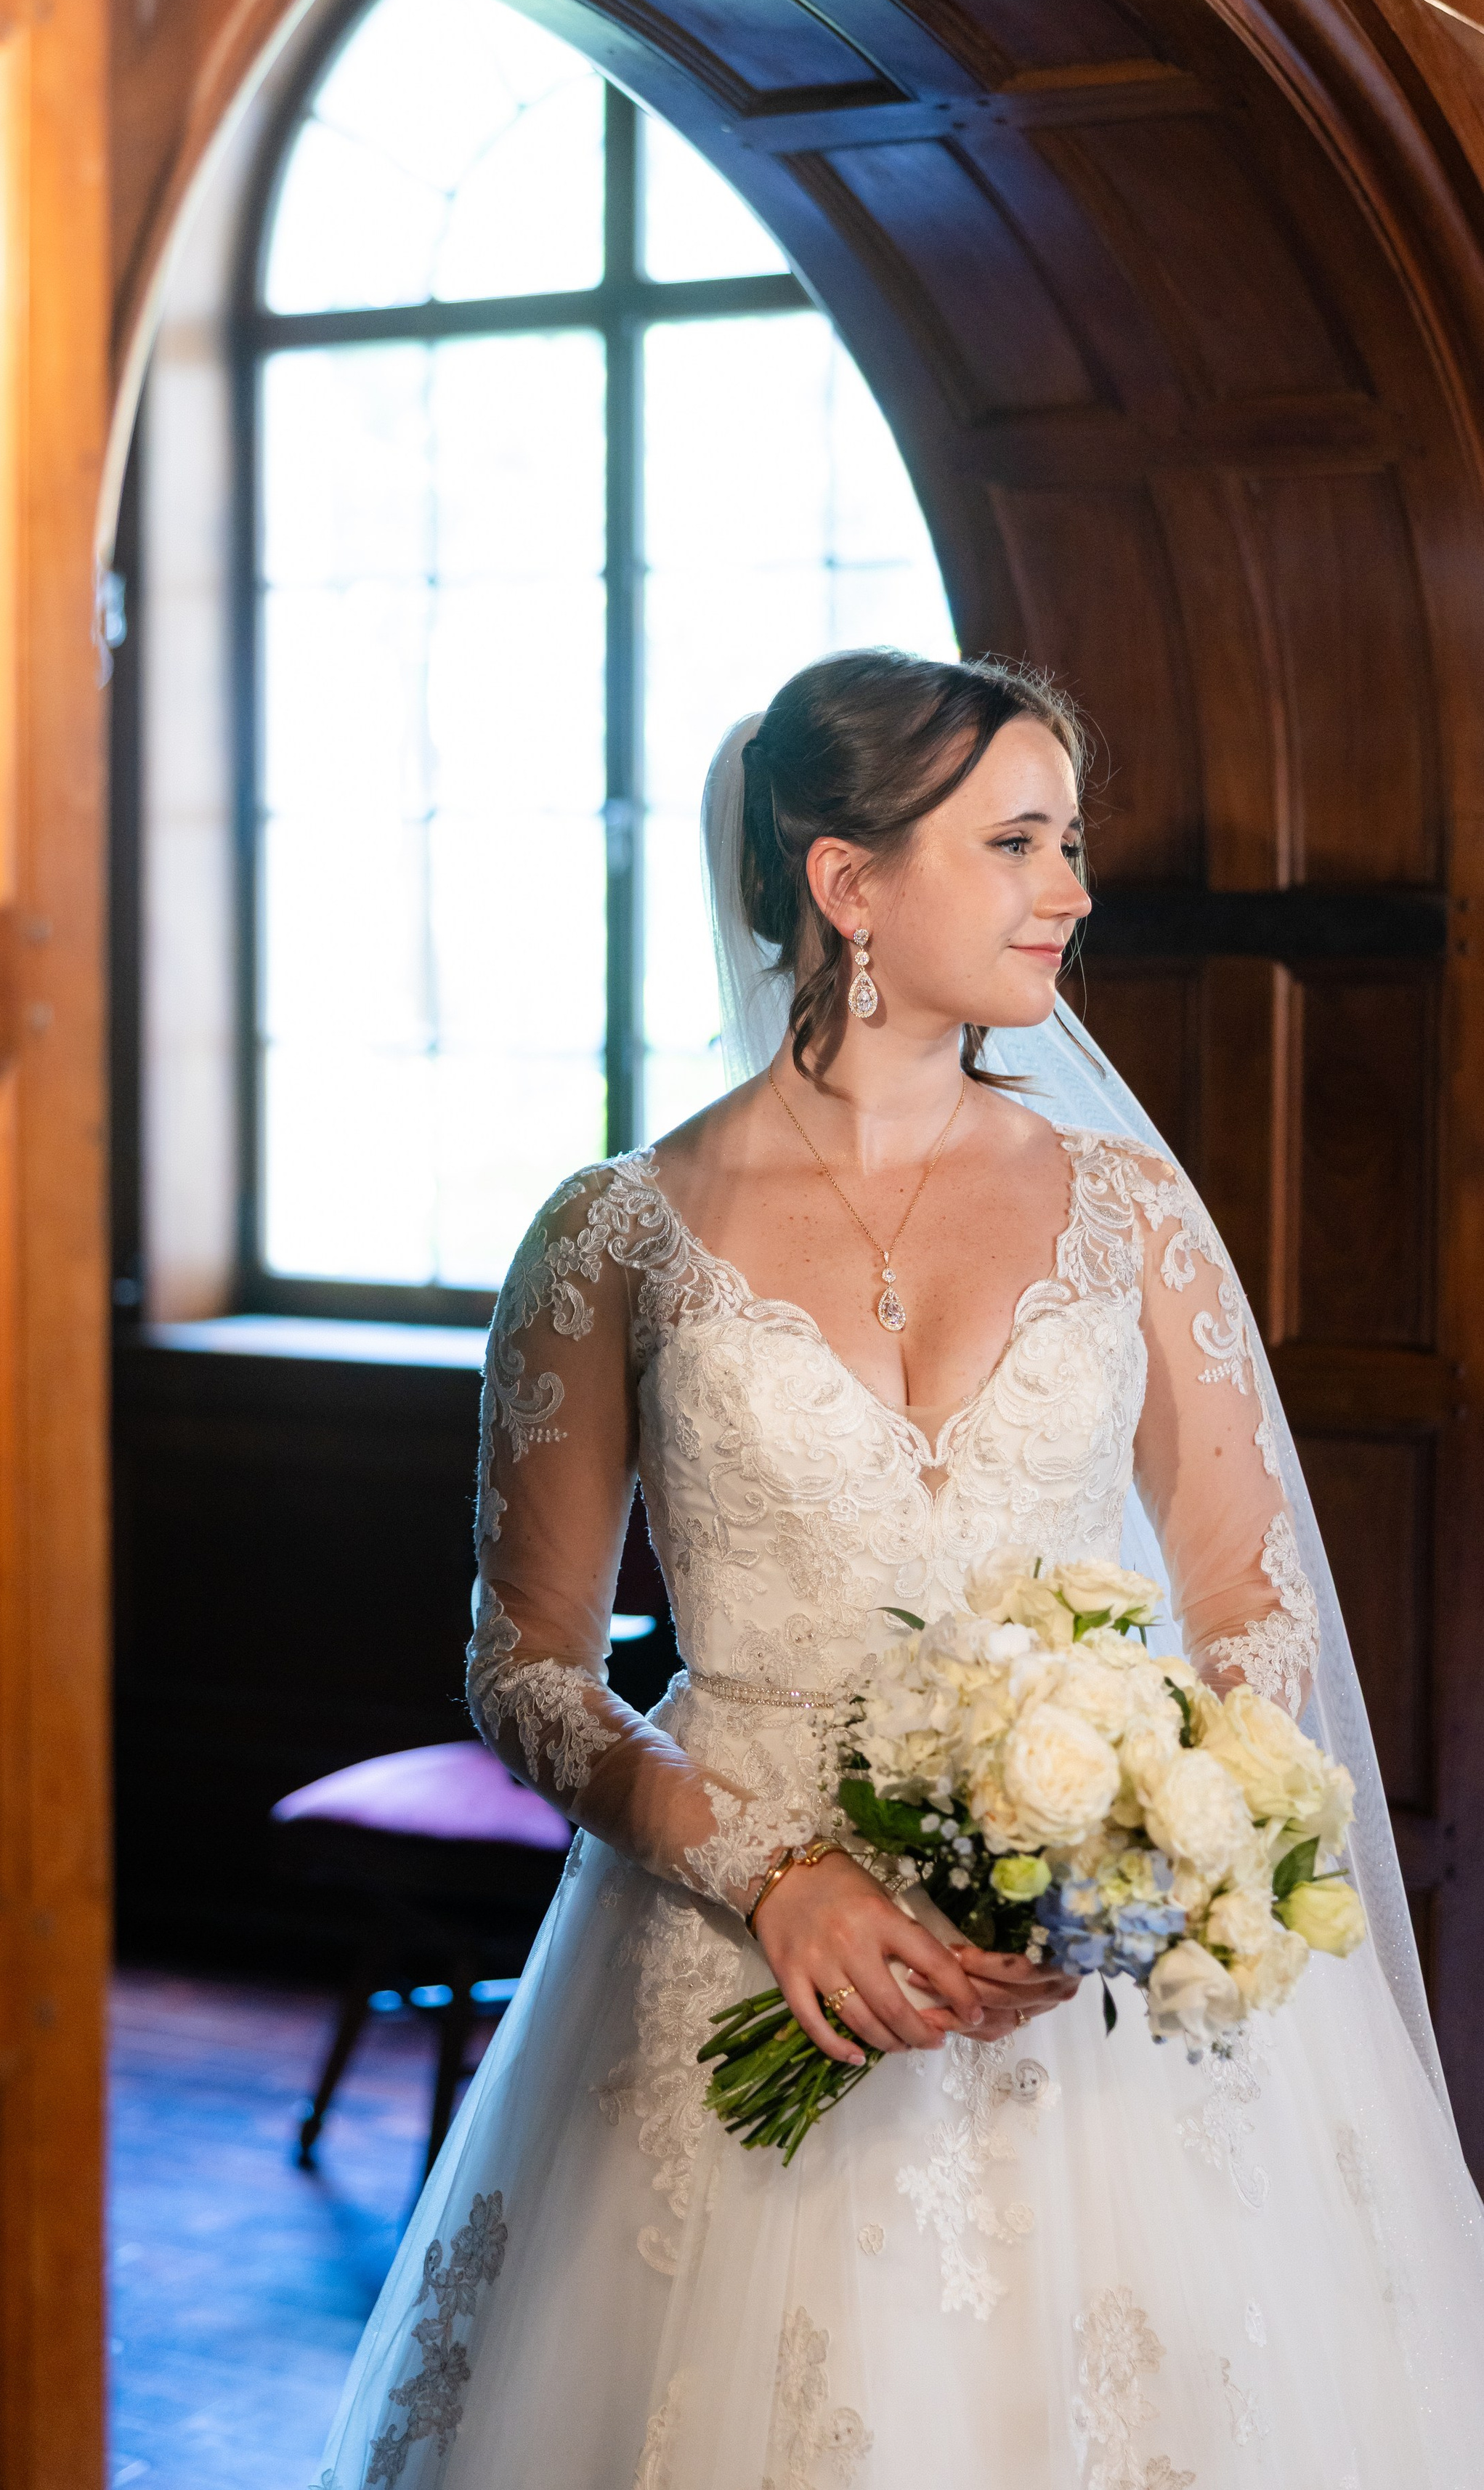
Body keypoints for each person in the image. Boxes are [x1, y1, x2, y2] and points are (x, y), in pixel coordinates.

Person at [312, 652, 1484, 2490]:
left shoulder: (1127, 1212)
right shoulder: (612, 1235)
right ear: (846, 887)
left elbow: (1248, 1599)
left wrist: (1120, 1863)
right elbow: (524, 1665)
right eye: (1016, 841)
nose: (1072, 892)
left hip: (1089, 2004)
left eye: (1068, 842)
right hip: (733, 1973)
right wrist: (767, 1878)